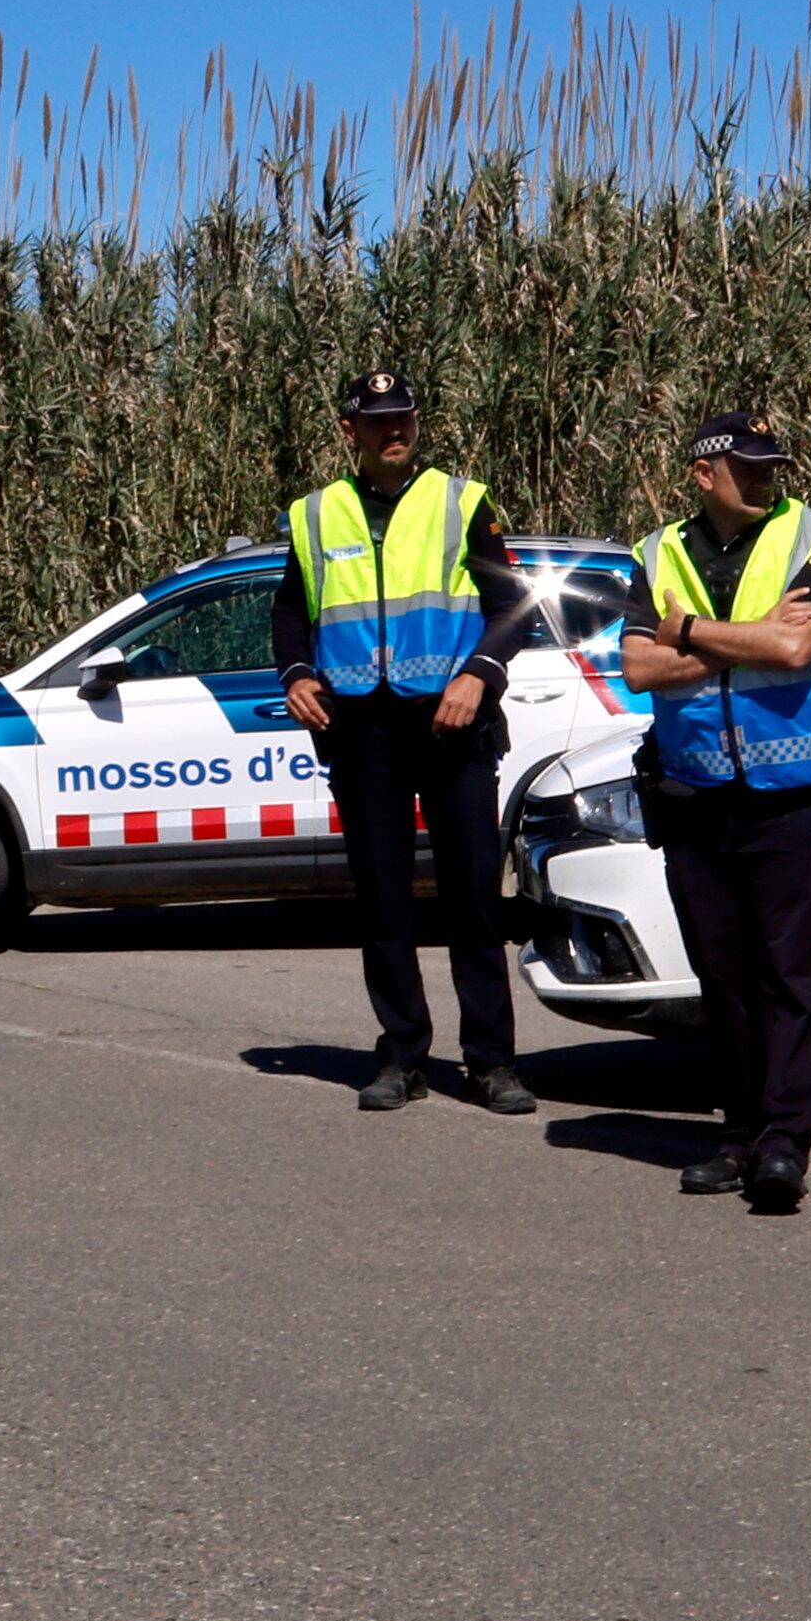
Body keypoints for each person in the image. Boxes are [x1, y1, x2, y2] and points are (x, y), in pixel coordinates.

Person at [616, 411, 811, 1211]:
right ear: (703, 473)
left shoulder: (809, 536)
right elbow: (636, 667)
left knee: (794, 973)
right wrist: (746, 634)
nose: (765, 477)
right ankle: (738, 1131)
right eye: (748, 466)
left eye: (772, 464)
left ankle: (784, 1144)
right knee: (722, 973)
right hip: (695, 791)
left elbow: (795, 649)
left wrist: (688, 629)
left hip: (792, 792)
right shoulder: (656, 553)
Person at [276, 370, 544, 1113]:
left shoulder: (461, 500)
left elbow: (514, 606)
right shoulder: (317, 513)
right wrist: (296, 671)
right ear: (350, 430)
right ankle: (401, 1056)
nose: (394, 432)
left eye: (404, 419)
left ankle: (492, 1063)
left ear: (418, 423)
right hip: (363, 730)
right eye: (378, 421)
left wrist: (479, 675)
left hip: (453, 725)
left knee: (472, 902)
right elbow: (290, 611)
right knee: (384, 901)